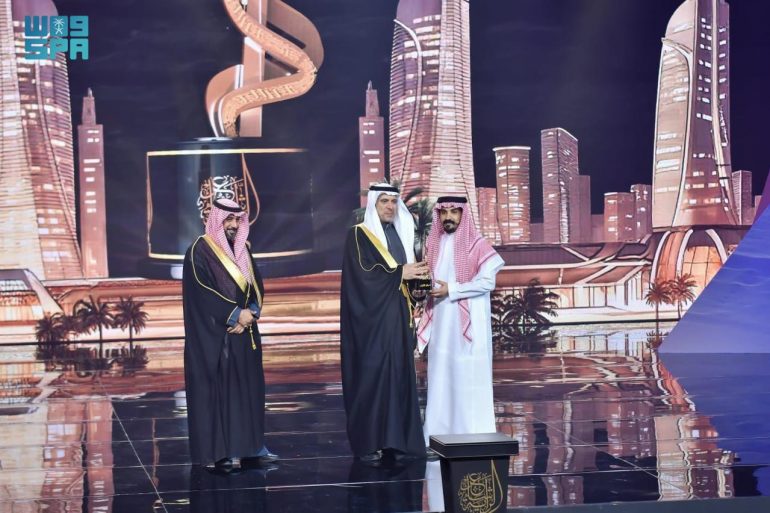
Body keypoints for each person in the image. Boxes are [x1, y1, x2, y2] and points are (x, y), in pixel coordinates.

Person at [182, 198, 278, 471]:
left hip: (244, 333)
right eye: (228, 219)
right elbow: (201, 292)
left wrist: (251, 313)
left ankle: (252, 448)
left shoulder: (243, 249)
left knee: (248, 391)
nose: (234, 225)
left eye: (237, 219)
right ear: (216, 219)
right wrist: (234, 314)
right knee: (222, 394)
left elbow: (256, 285)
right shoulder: (199, 250)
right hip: (216, 336)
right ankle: (222, 453)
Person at [340, 183, 429, 462]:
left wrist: (419, 288)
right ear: (373, 204)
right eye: (384, 202)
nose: (390, 207)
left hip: (398, 319)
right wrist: (400, 273)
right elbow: (362, 276)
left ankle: (398, 443)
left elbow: (406, 276)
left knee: (399, 377)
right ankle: (369, 444)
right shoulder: (359, 235)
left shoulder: (400, 235)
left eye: (393, 202)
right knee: (373, 379)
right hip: (371, 324)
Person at [417, 196, 505, 448]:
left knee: (468, 379)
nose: (448, 217)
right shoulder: (434, 245)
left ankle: (472, 435)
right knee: (440, 379)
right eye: (444, 212)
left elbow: (487, 283)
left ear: (463, 214)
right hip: (441, 325)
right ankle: (436, 436)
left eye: (454, 212)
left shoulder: (478, 245)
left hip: (469, 327)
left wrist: (452, 289)